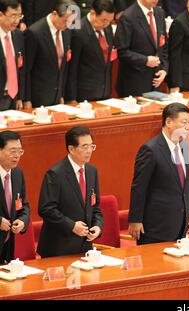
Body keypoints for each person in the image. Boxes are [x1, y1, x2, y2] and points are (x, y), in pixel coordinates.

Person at [128, 103, 189, 244]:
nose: (188, 127)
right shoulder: (150, 150)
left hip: (181, 224)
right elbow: (139, 187)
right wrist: (135, 219)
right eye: (184, 122)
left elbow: (188, 183)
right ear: (169, 122)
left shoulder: (185, 147)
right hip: (156, 227)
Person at [37, 126, 103, 258]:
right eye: (85, 147)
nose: (89, 151)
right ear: (71, 149)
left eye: (91, 146)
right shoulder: (55, 174)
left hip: (84, 247)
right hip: (58, 247)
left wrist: (97, 226)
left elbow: (95, 207)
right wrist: (71, 226)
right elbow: (46, 209)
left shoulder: (92, 171)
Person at [23, 0, 75, 108]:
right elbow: (27, 70)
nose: (68, 25)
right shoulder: (34, 33)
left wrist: (61, 94)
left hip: (57, 96)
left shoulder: (67, 31)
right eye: (66, 21)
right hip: (37, 97)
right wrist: (26, 99)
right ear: (55, 14)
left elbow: (64, 66)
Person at [114, 0, 169, 97]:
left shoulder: (160, 13)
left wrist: (164, 69)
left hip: (156, 81)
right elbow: (122, 52)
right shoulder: (128, 16)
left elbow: (163, 45)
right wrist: (145, 60)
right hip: (134, 83)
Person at [66, 0, 115, 102]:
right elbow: (72, 68)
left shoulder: (108, 28)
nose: (106, 24)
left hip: (105, 93)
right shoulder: (78, 31)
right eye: (103, 20)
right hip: (84, 95)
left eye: (109, 21)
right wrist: (72, 98)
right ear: (93, 13)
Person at [0, 131, 29, 263]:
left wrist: (23, 220)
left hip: (7, 246)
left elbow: (23, 205)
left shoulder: (17, 173)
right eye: (12, 151)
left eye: (19, 151)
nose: (17, 156)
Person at [0, 0, 25, 111]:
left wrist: (19, 97)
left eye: (19, 16)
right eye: (13, 16)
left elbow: (21, 67)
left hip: (13, 97)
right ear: (0, 15)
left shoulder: (18, 35)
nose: (16, 21)